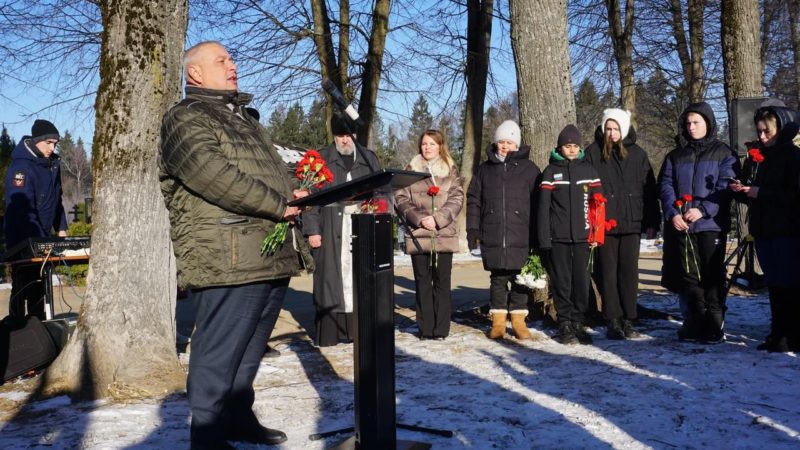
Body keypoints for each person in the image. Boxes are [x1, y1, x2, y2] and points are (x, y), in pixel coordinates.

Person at [160, 41, 303, 449]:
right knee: (218, 351)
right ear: (196, 74)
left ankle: (238, 417)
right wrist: (279, 204)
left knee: (250, 347)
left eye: (233, 58)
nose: (233, 65)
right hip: (226, 255)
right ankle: (206, 433)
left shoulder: (244, 119)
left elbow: (271, 173)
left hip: (267, 252)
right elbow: (212, 174)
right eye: (222, 60)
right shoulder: (185, 118)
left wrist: (299, 196)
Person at [659, 102, 738, 344]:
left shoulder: (724, 153)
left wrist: (703, 211)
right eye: (688, 123)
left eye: (697, 122)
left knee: (712, 275)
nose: (692, 127)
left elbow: (726, 187)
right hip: (682, 225)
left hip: (709, 225)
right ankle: (694, 320)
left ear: (708, 123)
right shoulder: (675, 155)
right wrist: (673, 212)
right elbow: (665, 185)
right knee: (688, 276)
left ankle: (714, 324)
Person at [302, 113, 381, 347]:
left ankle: (357, 331)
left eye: (349, 135)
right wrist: (312, 230)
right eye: (340, 136)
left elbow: (380, 192)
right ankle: (329, 334)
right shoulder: (319, 158)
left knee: (357, 278)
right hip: (329, 226)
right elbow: (309, 197)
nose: (345, 140)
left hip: (360, 224)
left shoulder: (368, 158)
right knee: (329, 280)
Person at [730, 102, 800, 352]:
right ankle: (778, 332)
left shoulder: (793, 156)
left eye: (766, 132)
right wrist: (740, 190)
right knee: (775, 284)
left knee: (789, 283)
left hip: (787, 230)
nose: (761, 136)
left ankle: (792, 334)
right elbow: (751, 191)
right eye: (759, 131)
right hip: (763, 228)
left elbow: (793, 195)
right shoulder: (757, 156)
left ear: (780, 129)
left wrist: (761, 192)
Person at [585, 108, 660, 340]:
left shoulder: (638, 154)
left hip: (631, 221)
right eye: (608, 128)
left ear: (624, 128)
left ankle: (629, 317)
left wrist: (652, 221)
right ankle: (612, 319)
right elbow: (584, 188)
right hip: (604, 223)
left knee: (629, 272)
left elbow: (650, 191)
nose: (612, 133)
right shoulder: (593, 153)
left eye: (616, 128)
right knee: (607, 272)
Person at [467, 120, 540, 340]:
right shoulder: (484, 170)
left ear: (517, 145)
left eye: (509, 142)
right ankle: (498, 322)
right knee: (498, 279)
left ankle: (518, 321)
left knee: (520, 280)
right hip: (493, 233)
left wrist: (539, 234)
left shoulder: (530, 169)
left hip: (522, 233)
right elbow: (474, 201)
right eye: (501, 142)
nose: (505, 146)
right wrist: (473, 230)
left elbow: (539, 203)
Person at [396, 129, 464, 340]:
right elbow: (400, 197)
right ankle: (425, 327)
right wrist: (419, 219)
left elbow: (457, 198)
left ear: (440, 146)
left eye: (432, 144)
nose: (428, 148)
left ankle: (441, 328)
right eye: (424, 144)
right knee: (422, 281)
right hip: (419, 233)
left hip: (443, 234)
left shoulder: (450, 170)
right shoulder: (410, 170)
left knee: (442, 282)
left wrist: (438, 219)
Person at [537, 124, 603, 345]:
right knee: (562, 282)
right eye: (568, 146)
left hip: (584, 238)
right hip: (559, 239)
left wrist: (596, 233)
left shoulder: (589, 171)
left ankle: (578, 320)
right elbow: (543, 209)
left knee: (582, 282)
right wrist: (544, 237)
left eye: (575, 146)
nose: (572, 150)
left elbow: (598, 205)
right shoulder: (550, 172)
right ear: (560, 147)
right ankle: (564, 322)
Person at [4, 119, 68, 321]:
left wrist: (62, 230)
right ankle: (15, 331)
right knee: (24, 284)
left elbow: (57, 200)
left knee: (40, 288)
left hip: (43, 239)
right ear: (36, 141)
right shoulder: (20, 168)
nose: (52, 147)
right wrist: (42, 241)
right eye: (48, 143)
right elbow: (23, 211)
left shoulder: (53, 165)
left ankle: (38, 329)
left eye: (55, 144)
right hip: (22, 240)